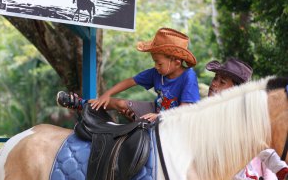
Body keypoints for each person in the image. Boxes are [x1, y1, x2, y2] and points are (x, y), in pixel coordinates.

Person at [57, 27, 200, 121]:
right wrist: (107, 94)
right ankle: (82, 104)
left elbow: (185, 111)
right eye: (154, 62)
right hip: (155, 111)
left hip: (174, 120)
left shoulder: (189, 76)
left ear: (176, 62)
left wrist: (159, 117)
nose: (156, 67)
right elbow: (130, 81)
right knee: (119, 103)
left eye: (159, 63)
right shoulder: (157, 73)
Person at [205, 57, 288, 180]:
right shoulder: (200, 119)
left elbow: (267, 152)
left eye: (222, 82)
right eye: (215, 79)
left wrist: (283, 172)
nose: (214, 84)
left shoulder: (244, 121)